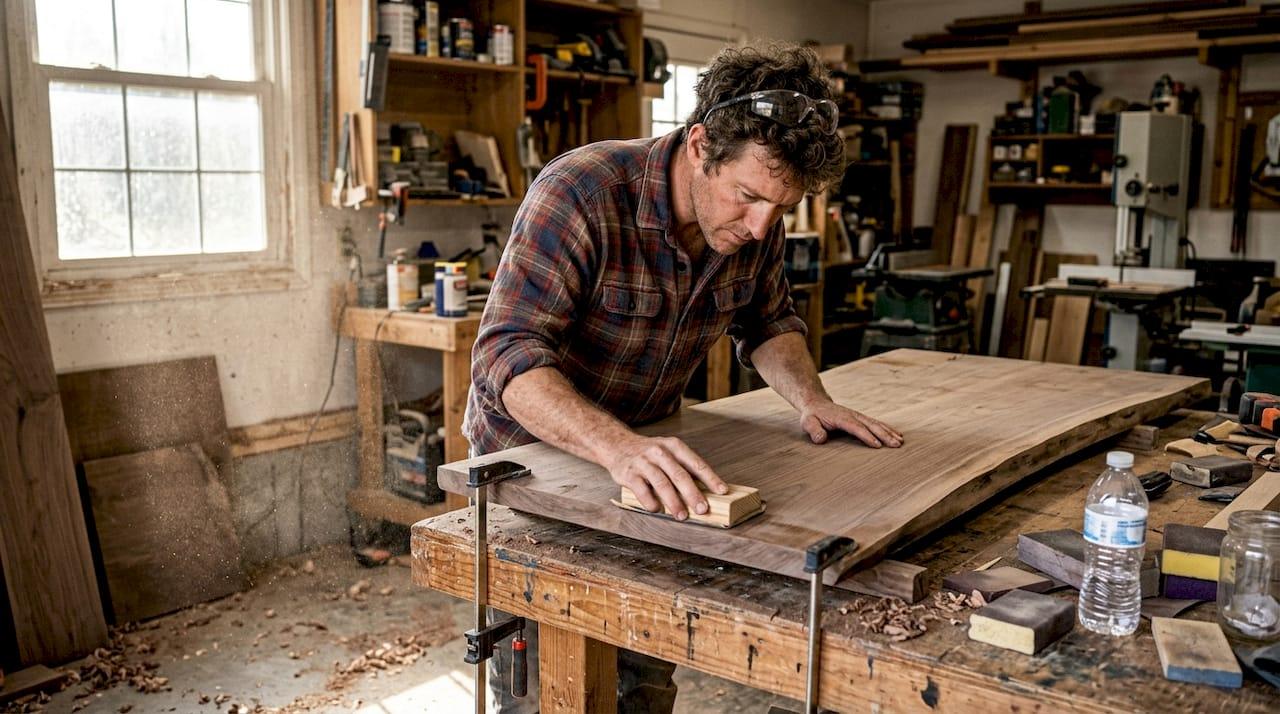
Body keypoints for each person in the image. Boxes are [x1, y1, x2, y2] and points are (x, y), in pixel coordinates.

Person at [464, 42, 903, 713]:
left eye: (779, 208)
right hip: (532, 467)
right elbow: (506, 356)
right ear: (700, 146)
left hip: (645, 460)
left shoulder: (753, 225)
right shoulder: (581, 192)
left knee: (643, 664)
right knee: (543, 686)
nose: (761, 226)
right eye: (749, 197)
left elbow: (768, 320)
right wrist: (618, 448)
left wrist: (812, 399)